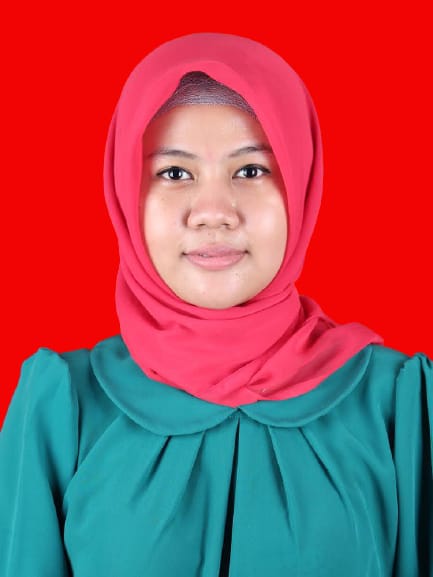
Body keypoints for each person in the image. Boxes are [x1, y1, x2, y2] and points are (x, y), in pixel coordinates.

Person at [0, 32, 431, 577]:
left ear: (301, 185)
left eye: (251, 170)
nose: (213, 211)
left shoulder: (395, 406)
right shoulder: (63, 408)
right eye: (174, 173)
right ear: (126, 194)